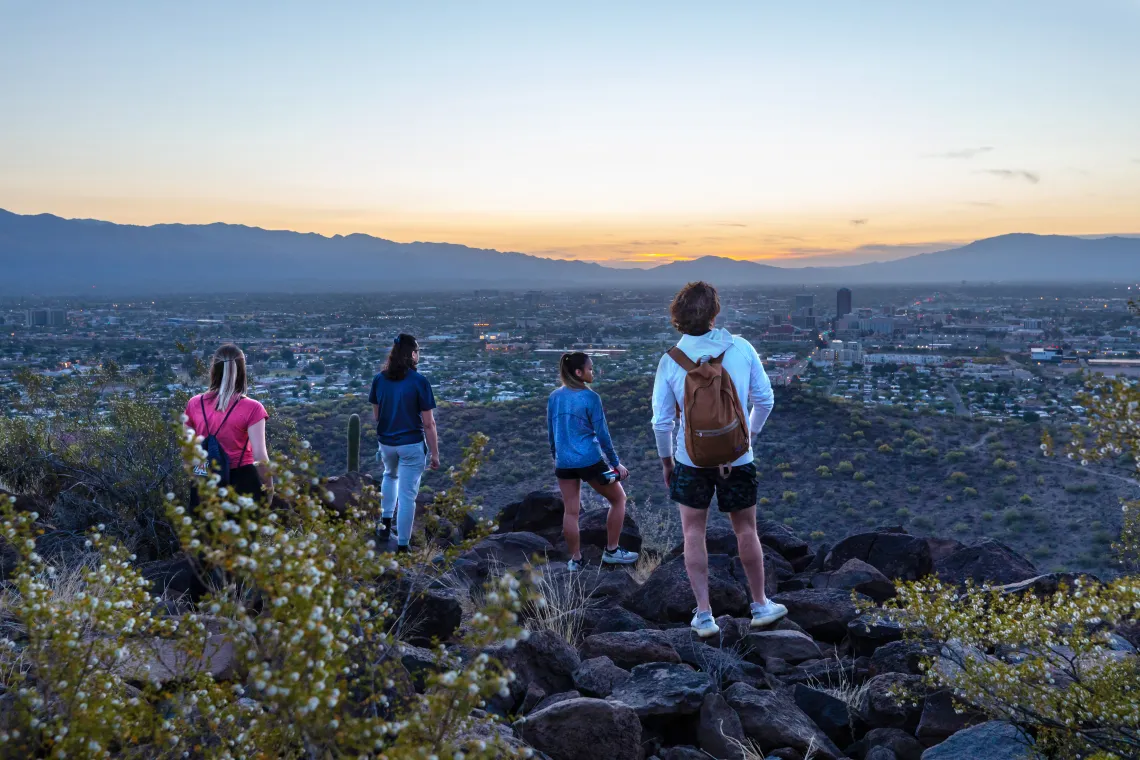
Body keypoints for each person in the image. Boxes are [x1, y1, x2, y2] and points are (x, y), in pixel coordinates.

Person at [651, 281, 786, 637]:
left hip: (690, 460)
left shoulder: (671, 360)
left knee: (693, 531)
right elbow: (765, 400)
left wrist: (667, 461)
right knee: (746, 529)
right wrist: (748, 437)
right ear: (715, 313)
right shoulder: (741, 348)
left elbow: (662, 421)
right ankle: (760, 604)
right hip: (738, 458)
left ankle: (704, 615)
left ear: (677, 317)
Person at [547, 352, 639, 571]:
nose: (592, 372)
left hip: (564, 462)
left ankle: (576, 560)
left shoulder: (554, 397)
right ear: (578, 373)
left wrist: (557, 456)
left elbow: (552, 432)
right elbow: (603, 435)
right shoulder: (591, 398)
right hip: (589, 460)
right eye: (590, 369)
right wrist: (616, 463)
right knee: (619, 499)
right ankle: (612, 551)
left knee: (571, 512)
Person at [369, 334, 439, 552]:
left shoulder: (380, 379)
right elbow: (429, 424)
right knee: (408, 496)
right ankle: (402, 546)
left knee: (390, 475)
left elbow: (377, 415)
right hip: (411, 444)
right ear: (412, 354)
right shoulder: (419, 382)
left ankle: (385, 523)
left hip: (387, 442)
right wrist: (435, 454)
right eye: (417, 351)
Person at [184, 344, 273, 506]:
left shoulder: (194, 404)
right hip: (243, 481)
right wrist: (269, 489)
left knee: (205, 531)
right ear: (242, 371)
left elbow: (188, 452)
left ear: (214, 370)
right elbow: (260, 456)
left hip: (204, 480)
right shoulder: (253, 408)